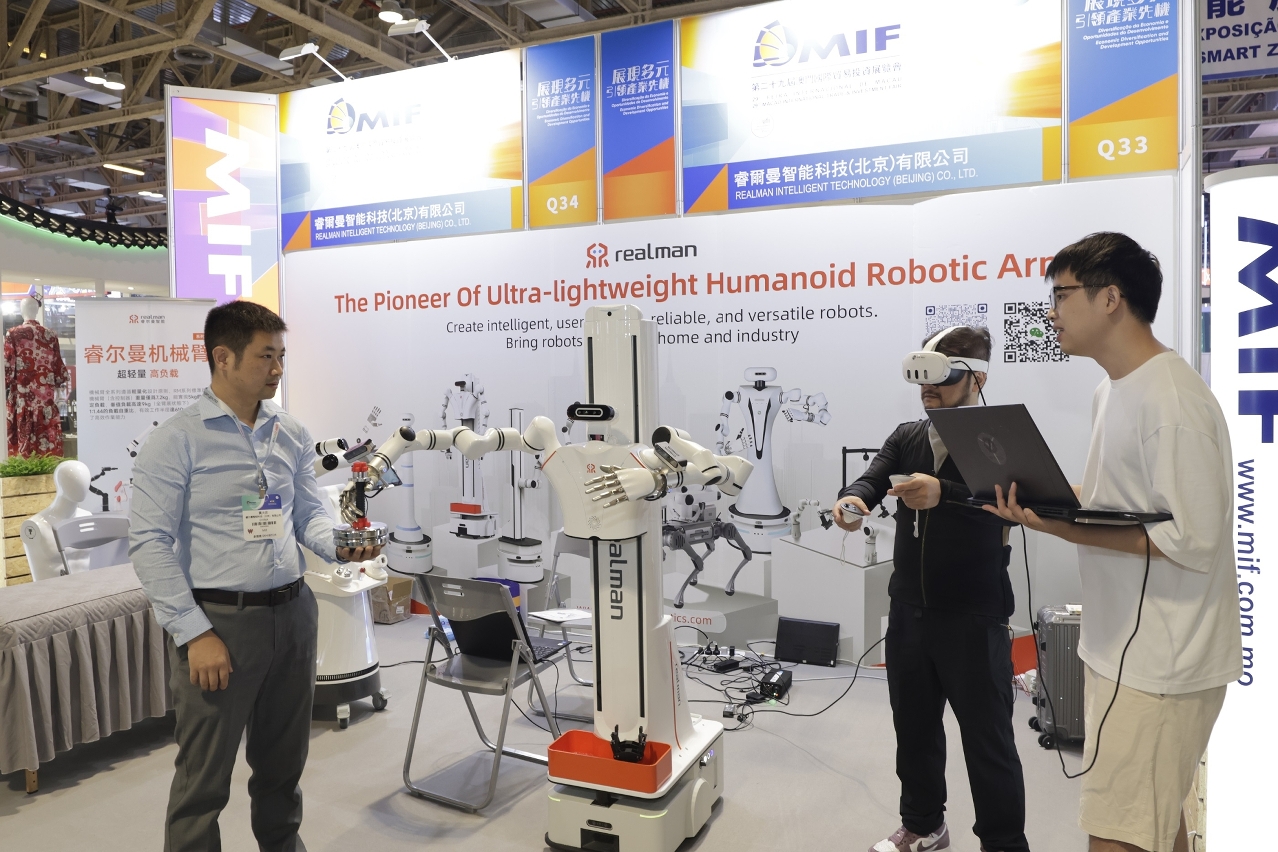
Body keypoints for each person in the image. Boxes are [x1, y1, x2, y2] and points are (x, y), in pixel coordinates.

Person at [984, 233, 1242, 852]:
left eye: (1061, 295)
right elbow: (1114, 499)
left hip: (1164, 660)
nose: (1051, 312)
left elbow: (1190, 538)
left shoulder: (1171, 399)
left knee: (1117, 835)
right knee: (1154, 823)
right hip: (1121, 646)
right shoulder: (1113, 389)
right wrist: (1042, 498)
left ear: (1110, 298)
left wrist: (1055, 523)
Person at [130, 301, 380, 852]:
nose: (278, 368)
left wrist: (340, 545)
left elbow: (307, 514)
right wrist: (194, 633)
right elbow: (149, 543)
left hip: (293, 616)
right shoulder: (177, 439)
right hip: (220, 626)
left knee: (282, 769)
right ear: (223, 358)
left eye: (281, 355)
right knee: (203, 782)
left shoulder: (289, 431)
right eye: (266, 356)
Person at [835, 326, 1029, 852]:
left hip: (974, 615)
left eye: (942, 378)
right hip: (910, 612)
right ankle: (923, 825)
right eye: (924, 378)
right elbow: (872, 479)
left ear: (977, 379)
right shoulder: (907, 436)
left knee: (988, 740)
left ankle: (1004, 843)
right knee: (915, 728)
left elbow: (1019, 503)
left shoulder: (997, 438)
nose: (929, 388)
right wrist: (853, 502)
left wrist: (945, 491)